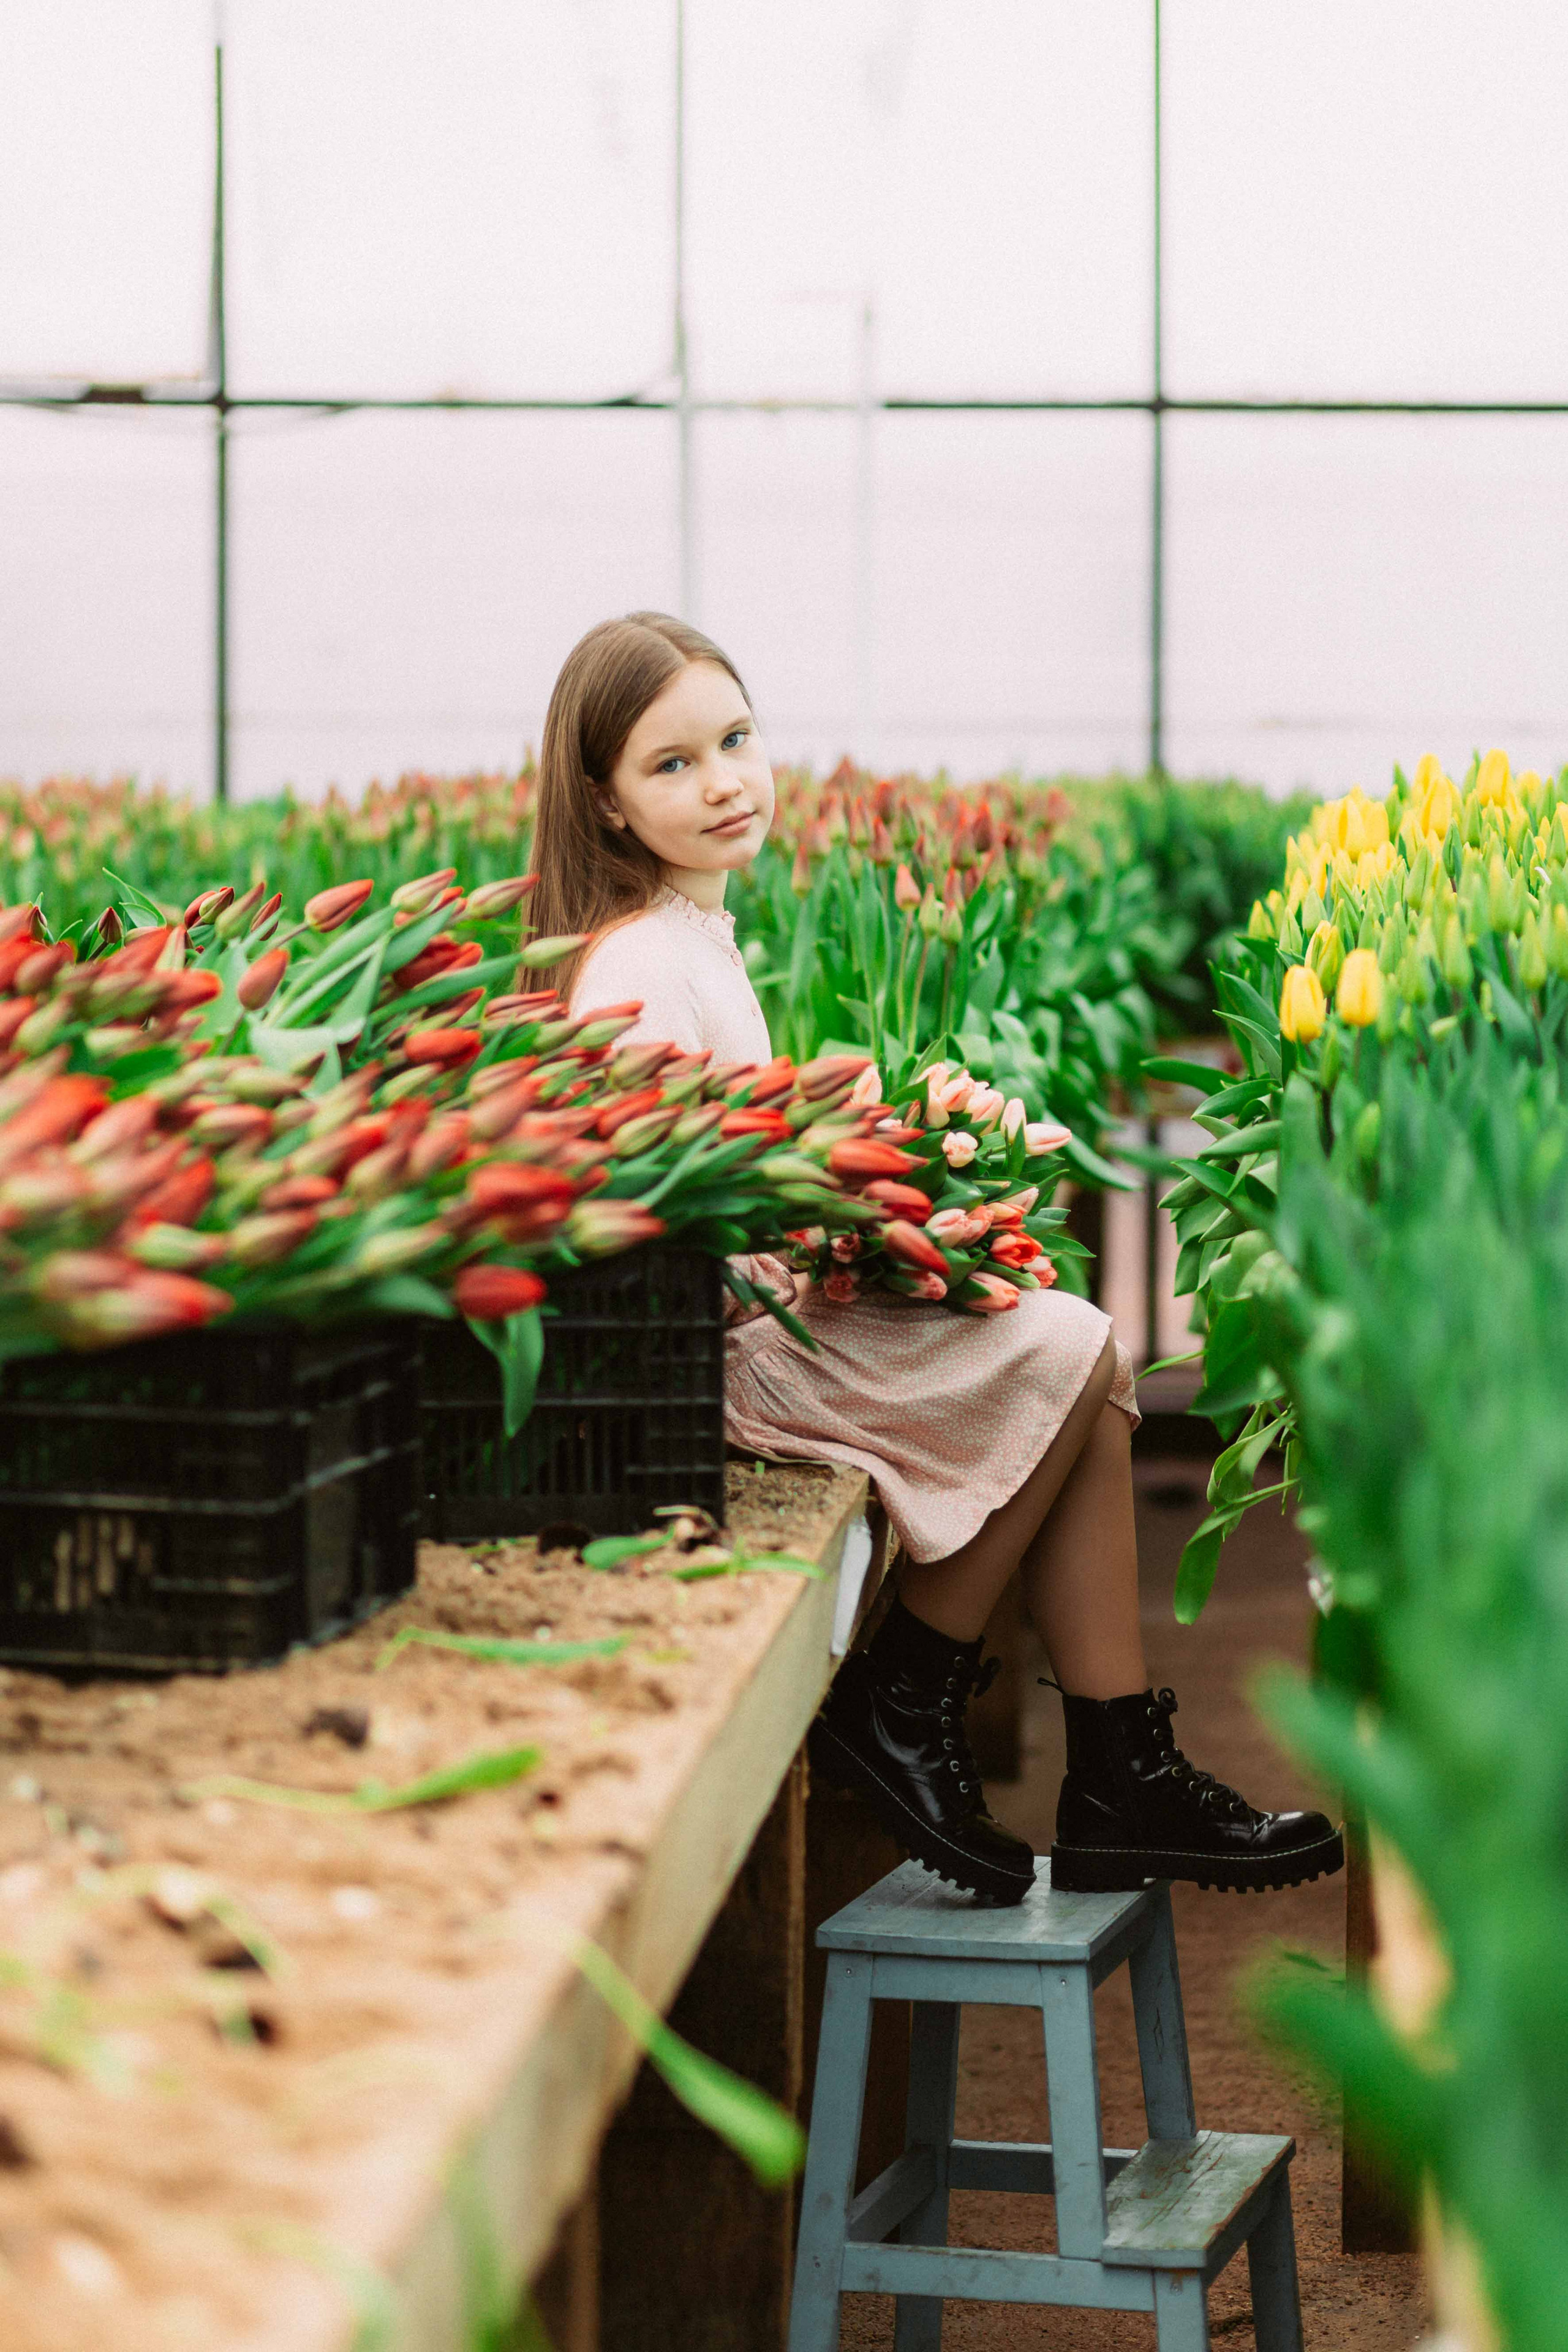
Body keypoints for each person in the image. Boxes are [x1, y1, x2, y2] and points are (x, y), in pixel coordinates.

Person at [533, 611, 1343, 1908]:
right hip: (709, 1369)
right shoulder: (637, 963)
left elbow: (728, 1150)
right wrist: (841, 1207)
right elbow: (643, 1223)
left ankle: (1112, 1770)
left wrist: (870, 1155)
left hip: (760, 1317)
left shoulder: (689, 933)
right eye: (669, 765)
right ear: (605, 804)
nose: (723, 780)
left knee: (1087, 1388)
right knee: (1073, 1341)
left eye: (733, 740)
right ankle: (905, 1692)